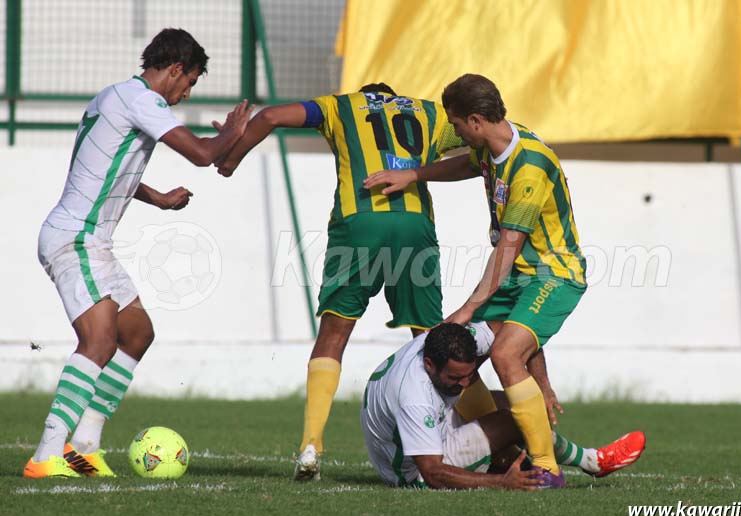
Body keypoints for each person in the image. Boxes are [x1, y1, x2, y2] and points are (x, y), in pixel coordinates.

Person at [24, 28, 253, 478]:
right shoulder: (143, 100)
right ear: (174, 69)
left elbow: (104, 169)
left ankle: (84, 446)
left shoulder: (113, 98)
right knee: (99, 340)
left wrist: (159, 199)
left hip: (91, 240)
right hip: (76, 237)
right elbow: (203, 155)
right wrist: (232, 132)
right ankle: (46, 455)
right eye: (188, 83)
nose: (186, 93)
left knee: (136, 335)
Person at [215, 83, 463, 481]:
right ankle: (473, 439)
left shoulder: (340, 107)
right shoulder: (428, 112)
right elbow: (479, 142)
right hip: (413, 226)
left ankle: (311, 445)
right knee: (434, 340)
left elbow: (271, 116)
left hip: (359, 223)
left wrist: (230, 159)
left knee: (334, 333)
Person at [364, 74, 587, 487]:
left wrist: (468, 307)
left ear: (476, 121)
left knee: (503, 355)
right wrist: (414, 175)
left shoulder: (530, 166)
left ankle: (549, 470)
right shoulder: (489, 147)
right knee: (468, 355)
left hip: (552, 274)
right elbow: (468, 164)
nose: (454, 131)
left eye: (457, 124)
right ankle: (544, 452)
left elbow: (509, 246)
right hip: (518, 276)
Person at [362, 322, 645, 489]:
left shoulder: (452, 342)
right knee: (515, 420)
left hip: (429, 428)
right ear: (429, 365)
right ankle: (591, 460)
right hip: (412, 471)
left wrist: (541, 384)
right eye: (454, 378)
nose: (462, 385)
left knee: (518, 404)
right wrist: (501, 484)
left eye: (467, 375)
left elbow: (516, 331)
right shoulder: (414, 396)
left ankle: (514, 461)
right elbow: (432, 472)